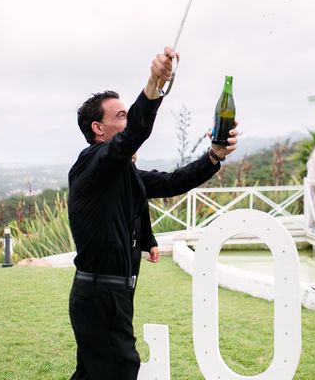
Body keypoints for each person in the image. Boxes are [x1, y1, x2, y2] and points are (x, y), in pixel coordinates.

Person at [67, 46, 239, 380]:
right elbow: (135, 135)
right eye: (120, 116)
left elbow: (175, 181)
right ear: (97, 129)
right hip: (101, 294)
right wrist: (153, 84)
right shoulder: (91, 163)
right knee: (120, 370)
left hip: (110, 294)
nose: (127, 121)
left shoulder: (123, 174)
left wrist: (215, 155)